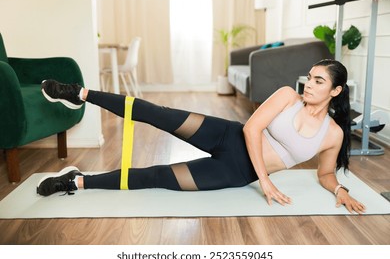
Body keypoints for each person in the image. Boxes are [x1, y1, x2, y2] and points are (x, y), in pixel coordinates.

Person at [36, 59, 366, 214]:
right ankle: (78, 93)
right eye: (309, 77)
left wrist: (339, 189)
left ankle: (75, 182)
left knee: (157, 176)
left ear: (335, 90)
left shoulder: (332, 134)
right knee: (158, 113)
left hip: (235, 172)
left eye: (319, 81)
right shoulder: (287, 97)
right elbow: (251, 128)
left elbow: (324, 172)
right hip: (228, 136)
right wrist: (266, 181)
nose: (308, 84)